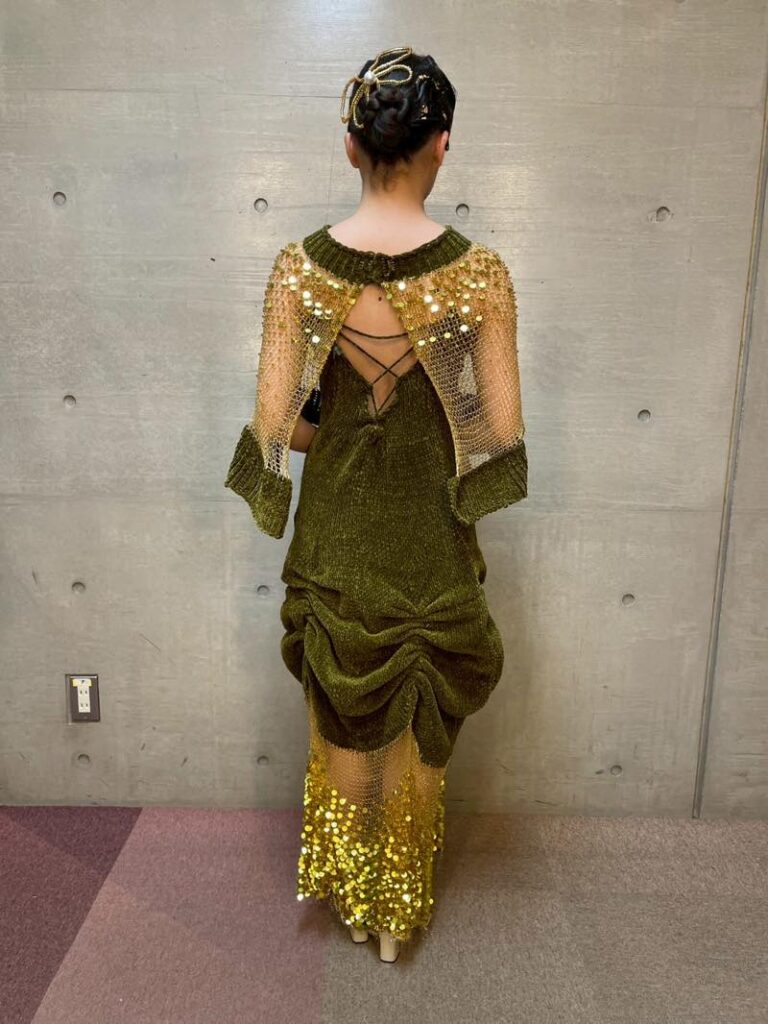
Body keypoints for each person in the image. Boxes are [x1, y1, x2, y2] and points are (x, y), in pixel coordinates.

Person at [224, 45, 528, 964]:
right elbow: (496, 432)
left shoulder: (298, 271)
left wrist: (342, 410)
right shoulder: (479, 276)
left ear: (350, 146)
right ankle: (398, 912)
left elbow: (280, 426)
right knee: (419, 731)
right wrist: (436, 394)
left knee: (343, 724)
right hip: (431, 533)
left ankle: (356, 900)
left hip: (337, 535)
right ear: (444, 144)